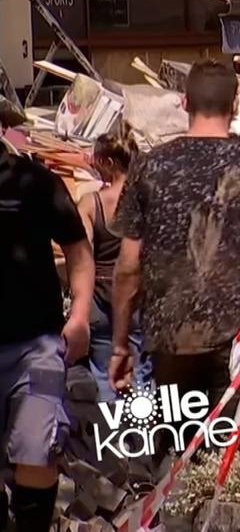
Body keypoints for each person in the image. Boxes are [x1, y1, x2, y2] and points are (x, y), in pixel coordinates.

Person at [110, 60, 240, 407]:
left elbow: (128, 267)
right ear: (234, 106)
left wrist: (120, 344)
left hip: (168, 340)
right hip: (231, 341)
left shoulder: (148, 168)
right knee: (230, 450)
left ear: (184, 102)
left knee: (176, 446)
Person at [0, 116, 94, 530]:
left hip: (35, 347)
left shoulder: (34, 181)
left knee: (37, 452)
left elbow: (77, 246)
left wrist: (79, 315)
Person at [77, 134, 151, 402]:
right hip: (137, 297)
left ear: (108, 162)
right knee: (141, 370)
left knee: (102, 374)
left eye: (97, 161)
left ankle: (111, 440)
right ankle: (144, 437)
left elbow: (82, 257)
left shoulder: (90, 203)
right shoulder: (146, 199)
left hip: (99, 298)